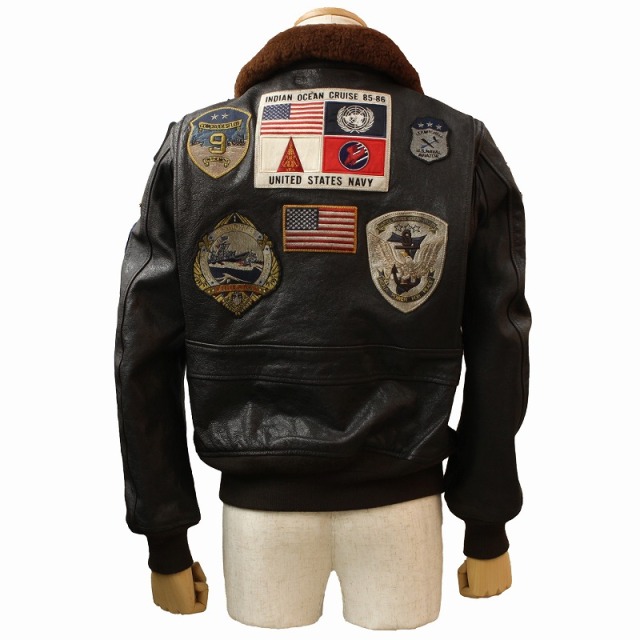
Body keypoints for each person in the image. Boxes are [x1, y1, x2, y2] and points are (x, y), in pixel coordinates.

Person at [114, 6, 531, 629]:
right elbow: (502, 345)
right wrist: (486, 524)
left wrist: (165, 537)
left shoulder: (195, 146)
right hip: (403, 509)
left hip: (259, 521)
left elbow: (141, 352)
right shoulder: (456, 143)